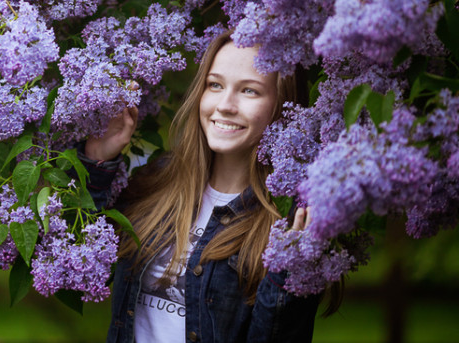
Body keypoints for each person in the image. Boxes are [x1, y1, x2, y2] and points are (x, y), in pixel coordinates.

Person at [78, 32, 325, 343]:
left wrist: (290, 270)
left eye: (249, 90)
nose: (225, 105)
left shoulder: (288, 222)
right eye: (215, 85)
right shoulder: (156, 182)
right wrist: (98, 161)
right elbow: (78, 262)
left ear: (283, 105)